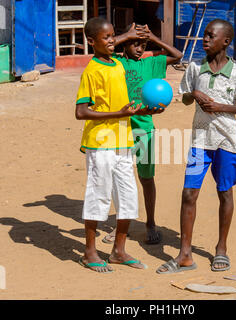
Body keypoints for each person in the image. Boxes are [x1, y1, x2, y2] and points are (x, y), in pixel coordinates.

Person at [156, 19, 236, 273]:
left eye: (211, 36)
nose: (205, 40)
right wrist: (194, 95)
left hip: (226, 142)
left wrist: (219, 107)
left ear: (226, 42)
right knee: (189, 193)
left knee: (225, 193)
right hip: (200, 141)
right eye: (205, 35)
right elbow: (186, 98)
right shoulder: (196, 68)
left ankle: (221, 248)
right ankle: (185, 254)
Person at [75, 17, 159, 273]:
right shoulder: (92, 70)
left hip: (123, 141)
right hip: (100, 143)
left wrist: (144, 110)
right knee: (98, 195)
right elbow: (81, 112)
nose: (112, 41)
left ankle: (118, 252)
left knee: (128, 197)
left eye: (113, 36)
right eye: (107, 37)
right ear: (91, 42)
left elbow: (123, 105)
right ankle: (89, 252)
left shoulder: (117, 66)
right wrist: (119, 115)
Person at [101, 23, 183, 245]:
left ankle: (150, 222)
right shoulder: (117, 63)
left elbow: (177, 55)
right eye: (134, 44)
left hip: (144, 128)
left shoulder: (151, 62)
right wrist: (127, 35)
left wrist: (154, 38)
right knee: (120, 179)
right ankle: (123, 224)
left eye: (142, 45)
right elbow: (103, 48)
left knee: (146, 178)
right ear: (125, 45)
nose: (139, 48)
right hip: (120, 128)